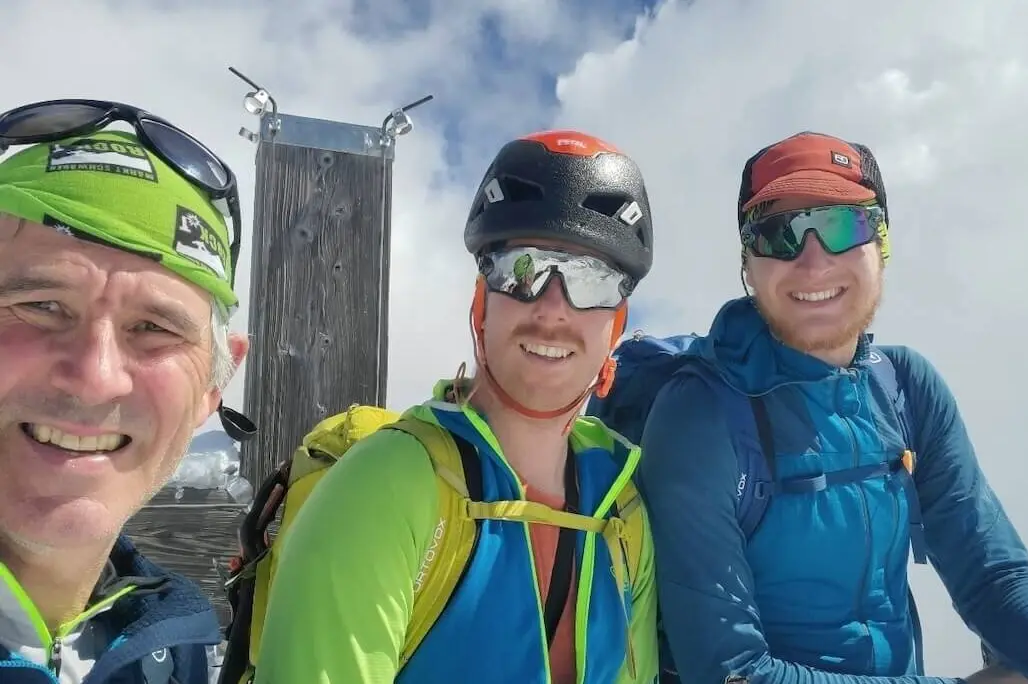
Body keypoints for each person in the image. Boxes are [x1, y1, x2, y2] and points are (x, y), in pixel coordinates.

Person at [601, 131, 1028, 683]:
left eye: (842, 225)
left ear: (882, 243)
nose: (812, 260)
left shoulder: (906, 388)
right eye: (777, 233)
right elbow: (729, 671)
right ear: (748, 264)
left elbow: (992, 580)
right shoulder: (700, 412)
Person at [250, 130, 659, 684]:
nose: (554, 308)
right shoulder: (388, 482)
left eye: (593, 281)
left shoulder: (622, 509)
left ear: (617, 327)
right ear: (481, 303)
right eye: (523, 268)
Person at [0, 99, 255, 684]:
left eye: (155, 329)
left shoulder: (175, 640)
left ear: (214, 385)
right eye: (40, 306)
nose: (96, 376)